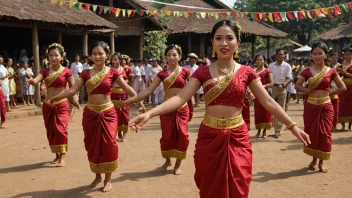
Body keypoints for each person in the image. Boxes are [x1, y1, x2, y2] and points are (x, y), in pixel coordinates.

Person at [128, 20, 310, 198]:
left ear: (237, 42)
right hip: (209, 136)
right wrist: (150, 113)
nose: (224, 43)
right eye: (218, 38)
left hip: (237, 137)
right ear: (212, 42)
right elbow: (180, 98)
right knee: (209, 186)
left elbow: (268, 101)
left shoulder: (247, 72)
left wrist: (292, 126)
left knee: (238, 186)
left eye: (229, 38)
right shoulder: (201, 72)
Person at [51, 41, 145, 192]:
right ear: (90, 56)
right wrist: (56, 97)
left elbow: (128, 88)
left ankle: (108, 179)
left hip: (108, 113)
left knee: (109, 144)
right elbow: (73, 89)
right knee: (92, 145)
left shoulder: (113, 73)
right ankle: (97, 176)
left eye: (100, 53)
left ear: (107, 55)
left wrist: (139, 103)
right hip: (90, 114)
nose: (97, 56)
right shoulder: (85, 73)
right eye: (94, 53)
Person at [124, 44, 191, 175]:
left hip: (182, 108)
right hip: (165, 109)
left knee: (182, 135)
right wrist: (130, 100)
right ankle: (167, 160)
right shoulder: (162, 73)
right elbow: (148, 90)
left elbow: (197, 85)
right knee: (166, 136)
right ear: (165, 57)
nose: (171, 58)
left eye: (174, 55)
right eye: (169, 55)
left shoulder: (185, 72)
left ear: (180, 56)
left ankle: (178, 164)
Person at [296, 42, 345, 173]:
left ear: (326, 55)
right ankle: (313, 159)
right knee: (312, 133)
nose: (317, 56)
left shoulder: (331, 72)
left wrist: (329, 93)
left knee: (324, 133)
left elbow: (342, 87)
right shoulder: (306, 71)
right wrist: (307, 91)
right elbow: (297, 86)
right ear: (311, 55)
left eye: (320, 53)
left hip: (326, 106)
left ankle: (321, 162)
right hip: (311, 106)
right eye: (314, 54)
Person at [28, 43, 78, 167]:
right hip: (48, 105)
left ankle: (62, 156)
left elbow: (73, 88)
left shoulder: (67, 71)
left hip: (62, 104)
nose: (53, 58)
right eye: (51, 55)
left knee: (60, 129)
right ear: (48, 57)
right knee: (51, 130)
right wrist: (32, 81)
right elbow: (37, 79)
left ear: (62, 57)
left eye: (56, 55)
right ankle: (56, 154)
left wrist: (75, 100)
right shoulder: (44, 71)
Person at [268, 48, 292, 138]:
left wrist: (283, 84)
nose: (281, 56)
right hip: (272, 88)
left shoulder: (287, 66)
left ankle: (277, 130)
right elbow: (268, 77)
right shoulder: (271, 66)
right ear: (276, 55)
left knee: (280, 109)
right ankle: (267, 127)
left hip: (282, 88)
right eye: (279, 54)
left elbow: (289, 78)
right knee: (270, 108)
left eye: (282, 55)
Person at [110, 53, 131, 142]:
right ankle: (118, 133)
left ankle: (124, 135)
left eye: (116, 59)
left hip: (123, 93)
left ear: (119, 60)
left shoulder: (124, 70)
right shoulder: (109, 70)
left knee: (124, 114)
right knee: (115, 114)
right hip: (113, 94)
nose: (114, 61)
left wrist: (122, 80)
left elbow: (128, 80)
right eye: (113, 59)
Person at [253, 54, 274, 138]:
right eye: (257, 60)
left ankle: (264, 131)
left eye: (261, 60)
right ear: (255, 61)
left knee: (266, 112)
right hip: (256, 95)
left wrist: (264, 86)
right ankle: (258, 131)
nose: (259, 61)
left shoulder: (267, 71)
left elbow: (272, 83)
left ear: (264, 61)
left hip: (265, 94)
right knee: (258, 113)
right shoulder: (253, 71)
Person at [336, 47, 352, 131]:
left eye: (349, 54)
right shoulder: (340, 66)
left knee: (350, 106)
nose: (347, 56)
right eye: (346, 54)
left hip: (351, 88)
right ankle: (343, 125)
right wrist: (338, 72)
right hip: (342, 87)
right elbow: (335, 77)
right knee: (341, 105)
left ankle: (350, 125)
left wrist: (346, 73)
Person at [329, 52, 341, 131]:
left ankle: (334, 125)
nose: (334, 59)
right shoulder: (327, 66)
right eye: (333, 58)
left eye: (335, 58)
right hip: (328, 89)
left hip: (338, 88)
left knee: (336, 109)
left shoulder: (340, 66)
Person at [0, 55, 7, 127]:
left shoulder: (3, 67)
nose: (1, 61)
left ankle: (2, 122)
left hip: (1, 88)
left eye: (2, 60)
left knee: (2, 106)